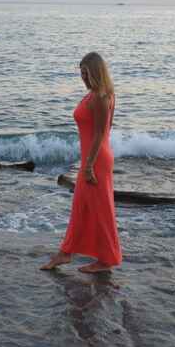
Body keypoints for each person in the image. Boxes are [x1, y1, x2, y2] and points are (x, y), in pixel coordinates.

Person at [40, 52, 122, 273]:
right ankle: (67, 253)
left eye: (86, 73)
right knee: (81, 207)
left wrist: (88, 165)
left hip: (96, 161)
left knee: (100, 210)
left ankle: (105, 260)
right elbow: (104, 131)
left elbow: (100, 133)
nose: (83, 78)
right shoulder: (97, 94)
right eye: (81, 73)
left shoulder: (101, 97)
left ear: (96, 72)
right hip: (95, 157)